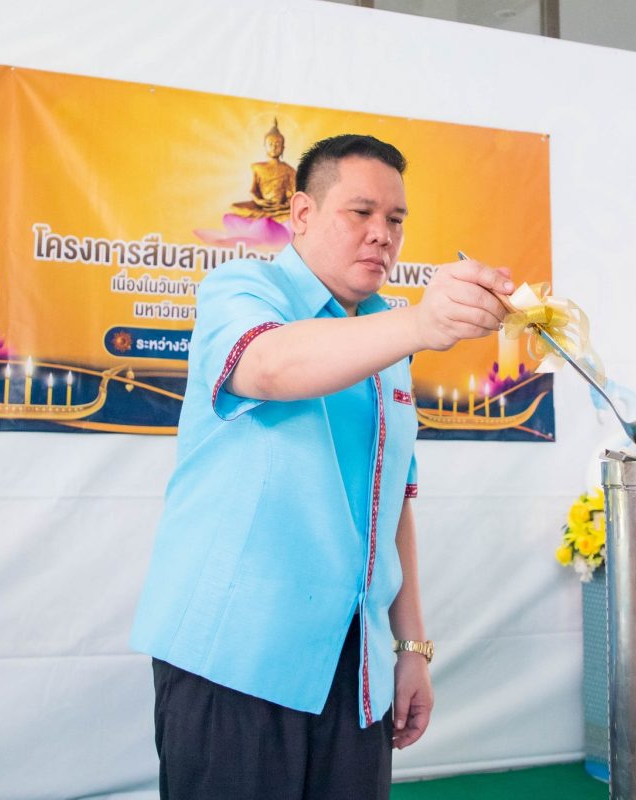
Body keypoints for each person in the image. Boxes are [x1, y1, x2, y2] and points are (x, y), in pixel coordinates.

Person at [130, 133, 514, 800]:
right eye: (360, 212)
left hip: (352, 663)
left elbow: (392, 503)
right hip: (237, 655)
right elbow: (269, 367)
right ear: (302, 214)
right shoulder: (242, 289)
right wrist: (422, 324)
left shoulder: (388, 336)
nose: (381, 235)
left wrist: (411, 649)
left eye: (395, 219)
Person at [231, 118, 296, 222]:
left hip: (281, 209)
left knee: (297, 211)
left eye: (278, 144)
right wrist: (259, 201)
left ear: (283, 148)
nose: (274, 147)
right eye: (270, 144)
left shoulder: (289, 170)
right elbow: (253, 191)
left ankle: (271, 217)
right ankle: (273, 217)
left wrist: (285, 205)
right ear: (265, 146)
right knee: (234, 207)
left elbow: (294, 194)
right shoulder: (257, 167)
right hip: (261, 207)